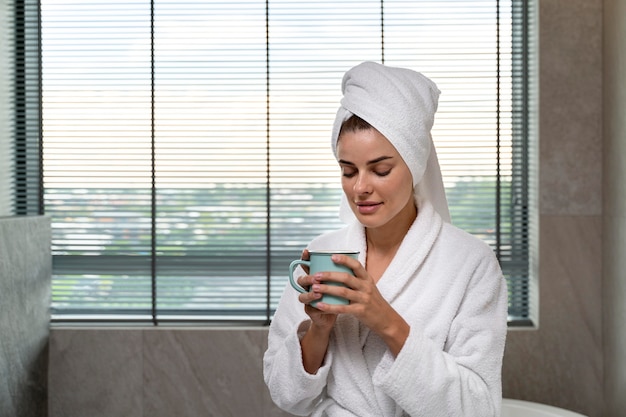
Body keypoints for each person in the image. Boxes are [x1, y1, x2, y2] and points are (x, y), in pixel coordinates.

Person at [263, 61, 508, 417]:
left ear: (415, 164)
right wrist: (317, 331)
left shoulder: (471, 264)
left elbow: (478, 408)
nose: (360, 188)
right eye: (348, 171)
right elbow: (285, 394)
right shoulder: (321, 253)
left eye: (380, 170)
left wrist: (385, 320)